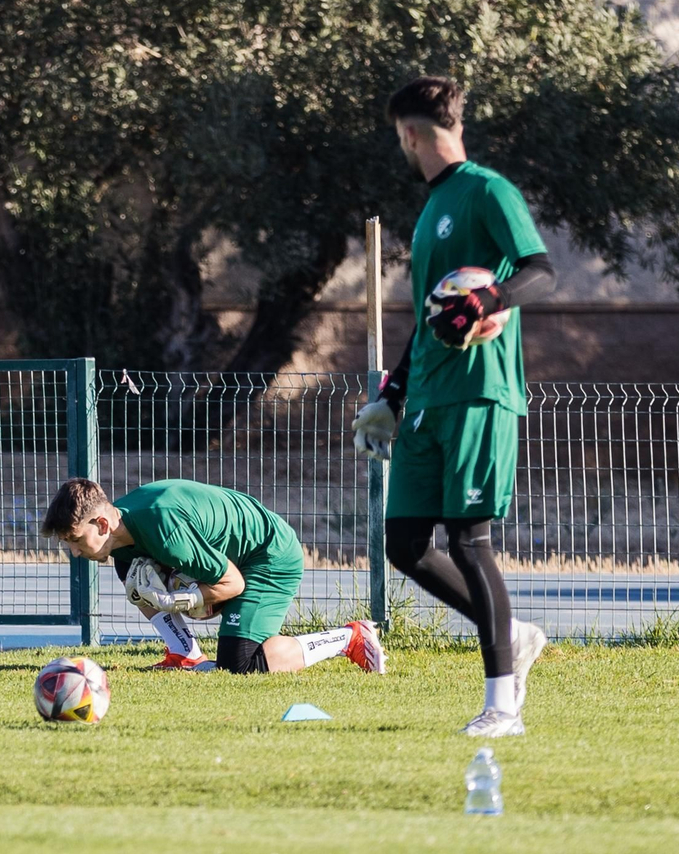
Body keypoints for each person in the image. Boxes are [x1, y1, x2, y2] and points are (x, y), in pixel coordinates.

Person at [351, 76, 557, 738]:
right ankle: (515, 633)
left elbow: (540, 268)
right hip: (427, 400)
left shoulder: (488, 190)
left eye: (398, 139)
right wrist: (392, 390)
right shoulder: (431, 207)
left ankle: (503, 704)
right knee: (406, 545)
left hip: (479, 394)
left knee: (469, 542)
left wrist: (491, 301)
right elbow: (429, 319)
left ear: (409, 133)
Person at [41, 478, 386, 675]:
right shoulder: (121, 535)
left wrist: (182, 598)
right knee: (137, 577)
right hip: (236, 557)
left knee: (241, 663)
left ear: (102, 524)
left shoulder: (164, 529)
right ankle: (184, 653)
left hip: (269, 555)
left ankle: (349, 637)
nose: (74, 551)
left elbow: (232, 584)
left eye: (74, 539)